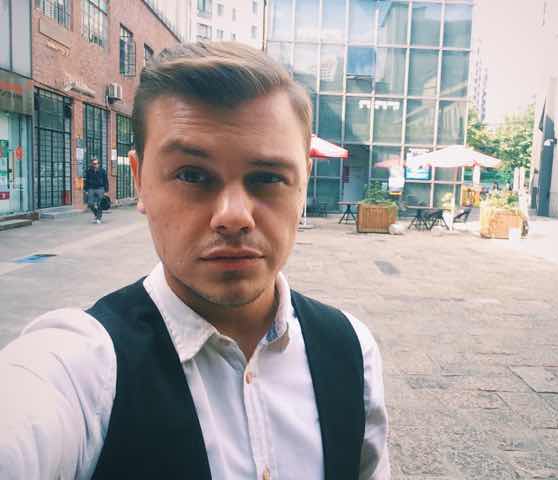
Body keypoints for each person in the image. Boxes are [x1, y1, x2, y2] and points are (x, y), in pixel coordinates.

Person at [0, 42, 389, 479]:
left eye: (268, 177)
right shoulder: (82, 367)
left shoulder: (352, 350)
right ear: (139, 181)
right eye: (192, 175)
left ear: (302, 185)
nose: (233, 216)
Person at [84, 157, 109, 224]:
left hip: (100, 188)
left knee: (100, 204)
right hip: (91, 188)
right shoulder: (88, 171)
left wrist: (106, 191)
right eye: (94, 164)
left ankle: (98, 218)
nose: (95, 165)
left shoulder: (102, 171)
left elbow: (106, 181)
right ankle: (96, 214)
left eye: (97, 163)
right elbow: (86, 181)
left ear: (99, 164)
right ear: (92, 164)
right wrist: (86, 189)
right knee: (90, 203)